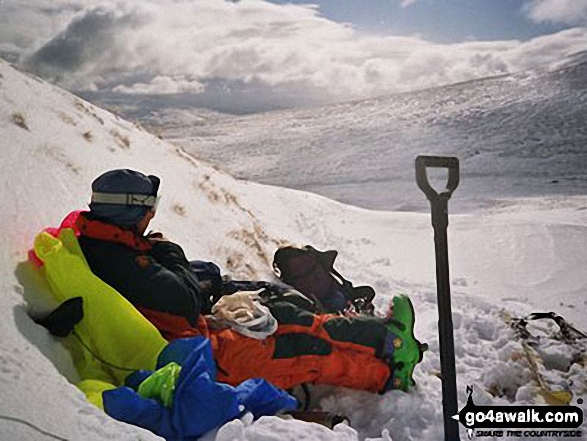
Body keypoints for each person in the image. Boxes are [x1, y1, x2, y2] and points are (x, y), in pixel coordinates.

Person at [76, 169, 425, 393]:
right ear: (131, 210)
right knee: (302, 349)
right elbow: (184, 300)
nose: (153, 213)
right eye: (150, 206)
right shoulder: (120, 260)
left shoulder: (108, 242)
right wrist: (169, 251)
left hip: (193, 342)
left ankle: (383, 336)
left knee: (291, 316)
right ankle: (389, 370)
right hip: (203, 357)